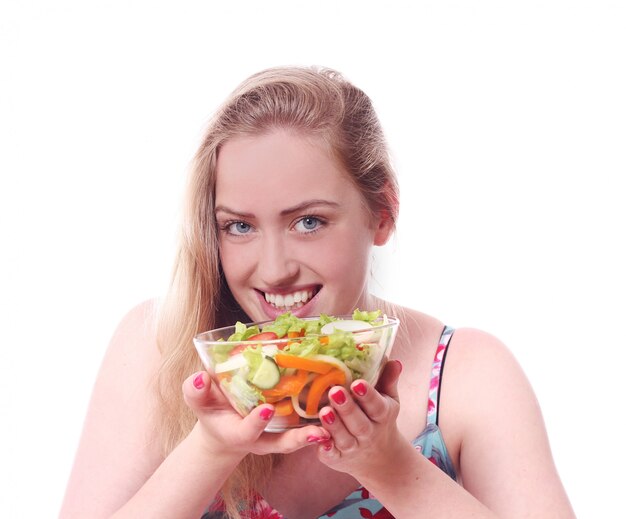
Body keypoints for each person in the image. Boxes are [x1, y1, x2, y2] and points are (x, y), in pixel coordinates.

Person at [60, 66, 575, 518]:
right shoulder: (156, 346)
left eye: (308, 221)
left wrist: (391, 468)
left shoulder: (469, 372)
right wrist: (210, 451)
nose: (275, 269)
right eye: (239, 226)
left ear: (382, 213)